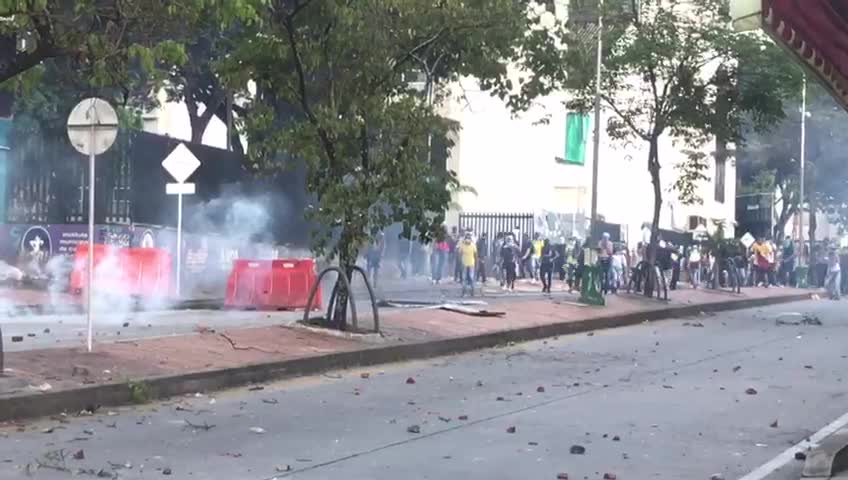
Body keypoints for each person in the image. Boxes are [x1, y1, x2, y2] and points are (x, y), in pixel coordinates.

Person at [457, 232, 477, 297]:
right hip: (464, 263)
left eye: (469, 238)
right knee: (464, 278)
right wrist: (460, 262)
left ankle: (472, 292)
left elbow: (476, 255)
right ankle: (464, 292)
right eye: (467, 238)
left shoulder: (473, 245)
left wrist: (476, 263)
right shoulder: (462, 245)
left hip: (471, 263)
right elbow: (459, 254)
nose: (467, 239)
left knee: (470, 278)